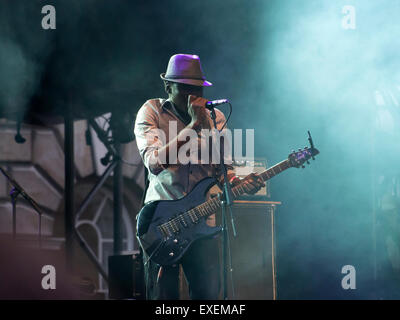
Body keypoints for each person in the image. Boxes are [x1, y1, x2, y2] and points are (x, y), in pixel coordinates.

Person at [134, 54, 264, 300]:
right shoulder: (152, 110)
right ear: (168, 87)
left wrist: (241, 183)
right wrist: (193, 127)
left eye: (196, 89)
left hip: (203, 222)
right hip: (162, 221)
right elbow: (154, 163)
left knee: (208, 295)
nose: (192, 97)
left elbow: (224, 172)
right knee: (164, 298)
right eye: (184, 89)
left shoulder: (216, 119)